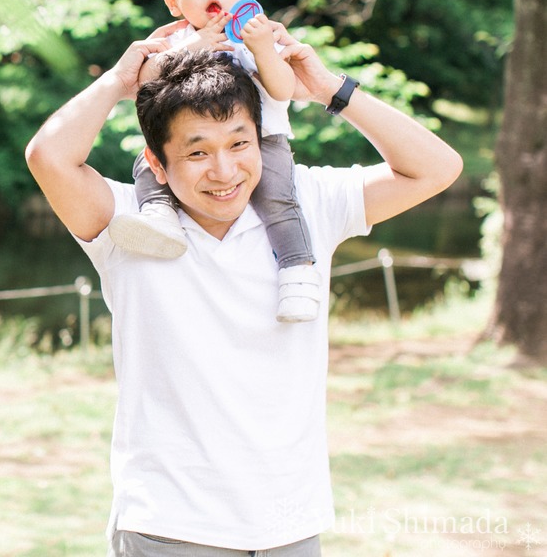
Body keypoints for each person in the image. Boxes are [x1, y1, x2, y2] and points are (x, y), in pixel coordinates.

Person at [24, 32, 462, 554]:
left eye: (239, 143)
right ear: (157, 165)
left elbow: (438, 168)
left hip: (289, 524)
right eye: (198, 152)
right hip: (171, 526)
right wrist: (121, 81)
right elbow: (48, 156)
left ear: (263, 140)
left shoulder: (305, 206)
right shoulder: (129, 224)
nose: (225, 171)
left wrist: (328, 88)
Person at [108, 0, 319, 323]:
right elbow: (146, 80)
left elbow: (283, 89)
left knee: (278, 198)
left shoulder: (256, 35)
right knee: (146, 163)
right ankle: (159, 216)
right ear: (173, 1)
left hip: (262, 140)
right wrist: (194, 47)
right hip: (191, 146)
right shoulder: (176, 39)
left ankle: (297, 270)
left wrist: (261, 50)